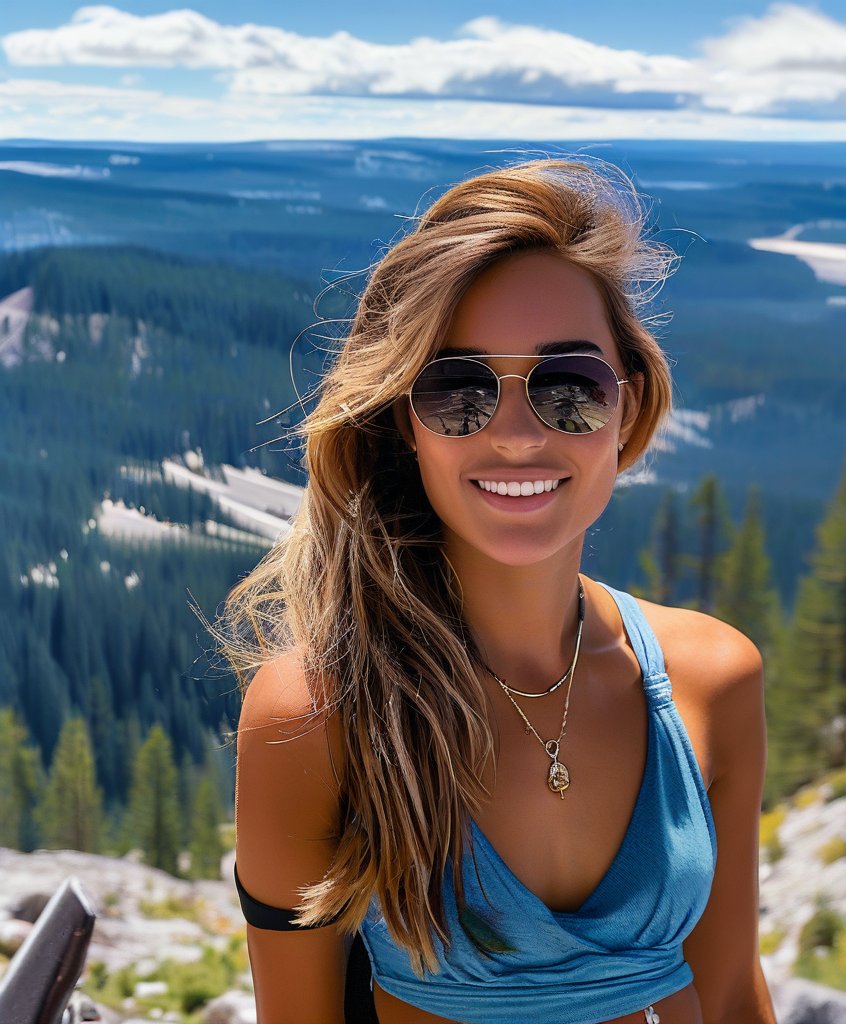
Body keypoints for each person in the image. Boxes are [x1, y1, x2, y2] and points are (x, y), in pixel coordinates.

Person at [221, 157, 777, 1023]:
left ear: (625, 408)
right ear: (404, 421)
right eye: (457, 391)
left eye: (568, 388)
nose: (515, 436)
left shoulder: (713, 676)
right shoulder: (316, 714)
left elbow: (736, 996)